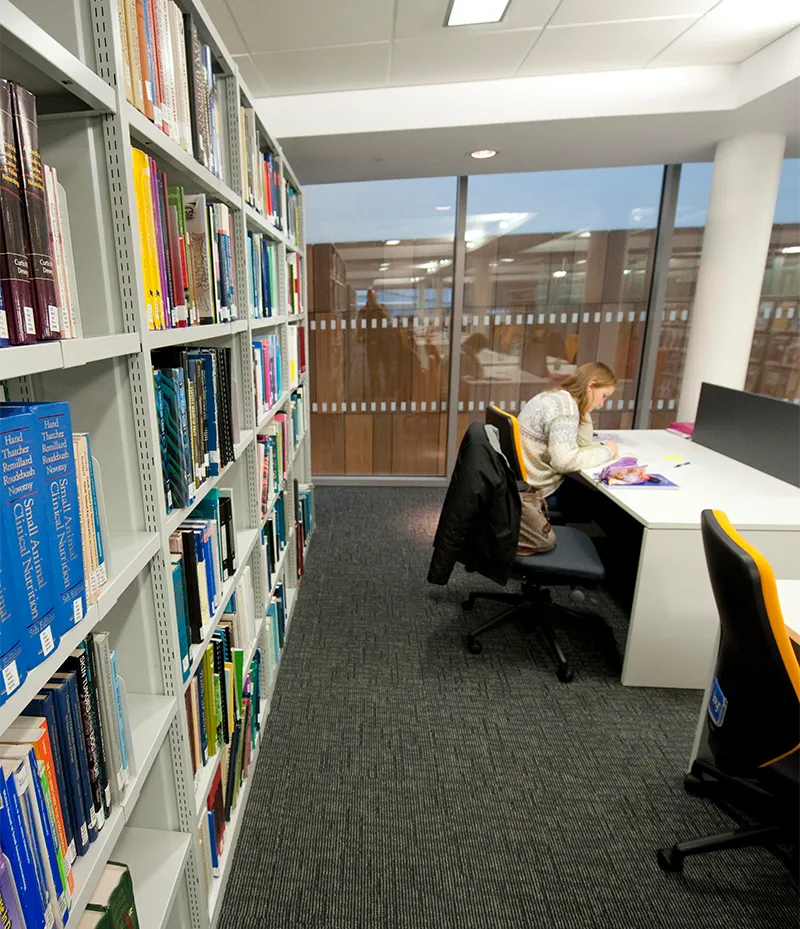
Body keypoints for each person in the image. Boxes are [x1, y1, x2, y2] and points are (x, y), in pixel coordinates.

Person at [517, 362, 618, 525]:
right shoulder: (565, 408)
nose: (601, 404)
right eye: (604, 396)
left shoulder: (555, 396)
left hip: (526, 483)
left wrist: (585, 408)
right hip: (541, 491)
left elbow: (584, 442)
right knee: (608, 503)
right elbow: (564, 462)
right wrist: (608, 451)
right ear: (591, 386)